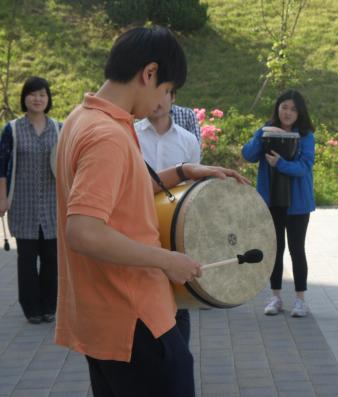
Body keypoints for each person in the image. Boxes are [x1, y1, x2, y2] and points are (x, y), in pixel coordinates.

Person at [54, 26, 247, 397]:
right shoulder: (107, 135)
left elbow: (116, 193)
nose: (162, 103)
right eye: (165, 90)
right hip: (134, 317)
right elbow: (84, 230)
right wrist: (166, 260)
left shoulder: (82, 118)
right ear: (149, 73)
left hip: (104, 320)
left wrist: (182, 172)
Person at [135, 88, 200, 346]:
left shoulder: (187, 140)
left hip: (174, 225)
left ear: (173, 97)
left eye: (164, 94)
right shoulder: (130, 136)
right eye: (153, 92)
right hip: (137, 224)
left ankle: (178, 352)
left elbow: (193, 188)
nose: (158, 101)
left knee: (177, 293)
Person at [242, 89, 315, 318]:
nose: (288, 112)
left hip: (297, 203)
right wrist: (261, 135)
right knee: (275, 249)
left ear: (299, 112)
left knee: (296, 249)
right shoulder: (266, 129)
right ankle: (275, 297)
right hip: (271, 200)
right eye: (284, 107)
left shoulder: (305, 135)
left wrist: (280, 164)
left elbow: (304, 167)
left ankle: (300, 300)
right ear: (277, 108)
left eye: (293, 108)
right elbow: (248, 155)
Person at [0, 76, 61, 325]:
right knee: (26, 259)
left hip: (52, 204)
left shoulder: (60, 127)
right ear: (25, 97)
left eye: (42, 94)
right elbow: (1, 166)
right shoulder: (12, 129)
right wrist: (2, 198)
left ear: (48, 99)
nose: (38, 99)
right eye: (33, 94)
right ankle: (31, 309)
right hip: (23, 205)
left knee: (51, 260)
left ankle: (49, 306)